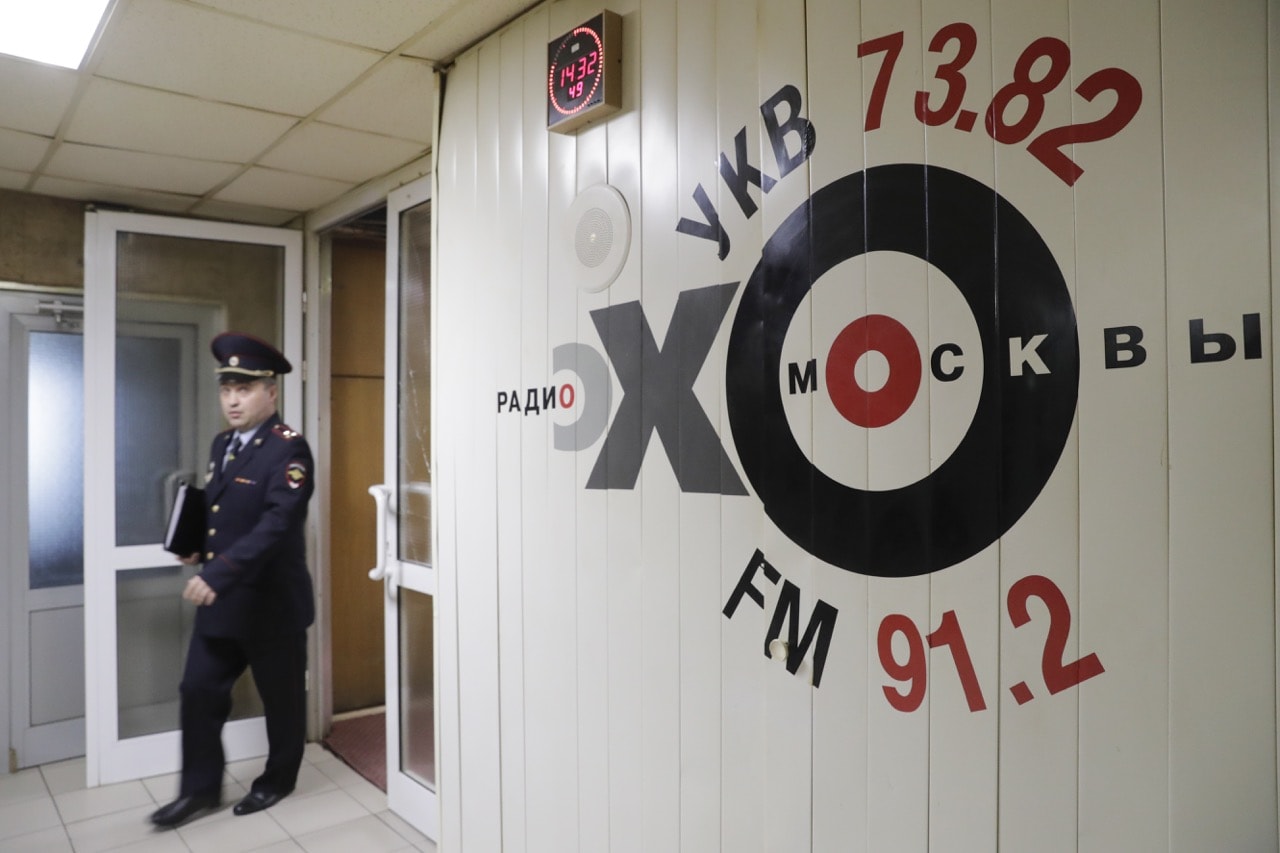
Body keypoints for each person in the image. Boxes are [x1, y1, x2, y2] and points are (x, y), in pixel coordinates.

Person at [151, 332, 316, 829]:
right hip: (223, 602)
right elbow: (223, 511)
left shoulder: (290, 450)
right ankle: (200, 790)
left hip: (270, 605)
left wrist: (218, 571)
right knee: (198, 691)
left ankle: (277, 779)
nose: (232, 400)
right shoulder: (222, 443)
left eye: (244, 389)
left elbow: (276, 522)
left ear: (272, 392)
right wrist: (197, 544)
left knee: (282, 701)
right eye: (227, 389)